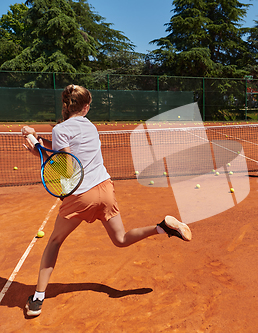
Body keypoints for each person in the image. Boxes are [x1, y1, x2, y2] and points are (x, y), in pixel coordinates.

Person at [22, 84, 192, 317]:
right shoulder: (91, 127)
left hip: (82, 195)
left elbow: (67, 167)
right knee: (120, 239)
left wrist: (37, 152)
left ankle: (38, 299)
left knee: (54, 242)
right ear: (86, 107)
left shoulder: (61, 129)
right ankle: (162, 228)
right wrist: (40, 142)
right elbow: (70, 149)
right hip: (106, 189)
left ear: (65, 105)